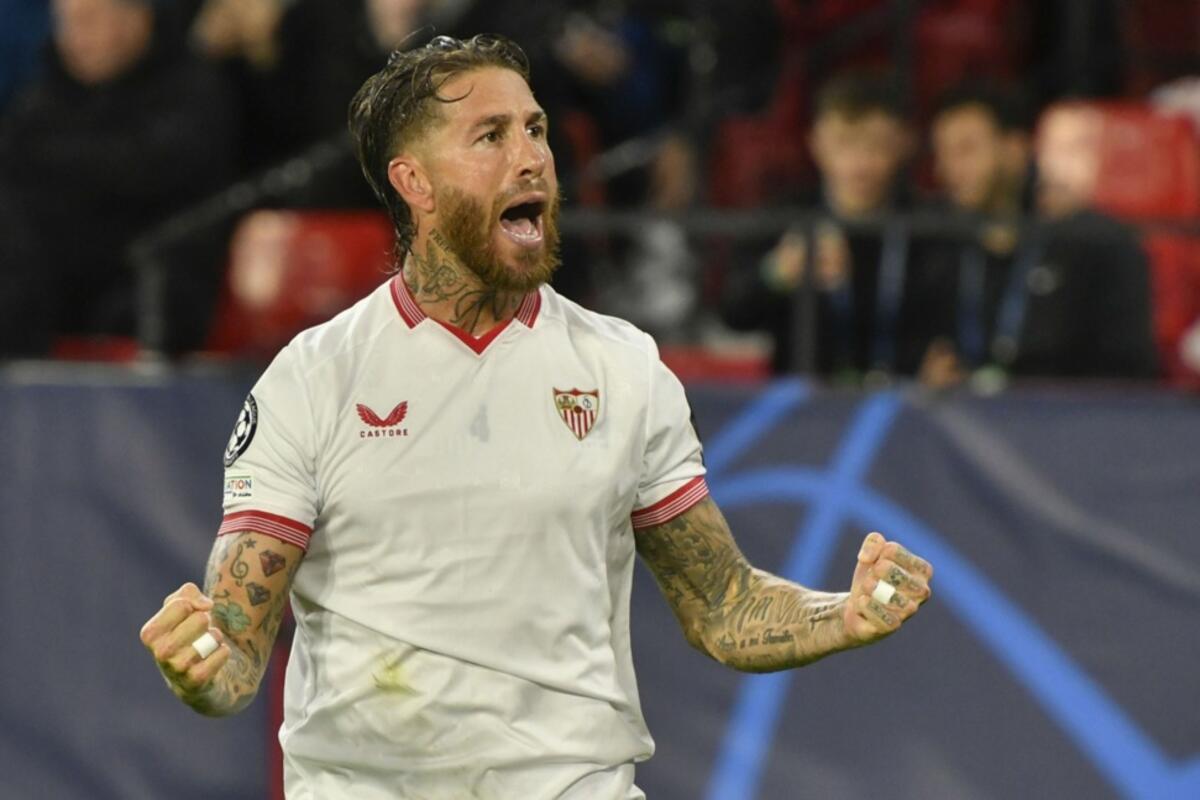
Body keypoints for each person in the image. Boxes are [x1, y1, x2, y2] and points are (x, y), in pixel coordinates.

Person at [138, 35, 933, 799]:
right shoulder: (312, 380)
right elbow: (234, 652)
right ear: (414, 182)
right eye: (491, 135)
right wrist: (197, 661)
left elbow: (725, 606)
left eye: (537, 129)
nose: (532, 158)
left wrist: (845, 614)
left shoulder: (623, 368)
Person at [0, 0, 237, 352]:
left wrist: (50, 163)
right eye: (66, 22)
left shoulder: (191, 90)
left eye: (90, 20)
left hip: (150, 278)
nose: (76, 37)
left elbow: (147, 168)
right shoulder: (44, 97)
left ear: (137, 18)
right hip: (52, 281)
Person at [919, 86, 1157, 385]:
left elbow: (1130, 373)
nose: (947, 169)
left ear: (1015, 148)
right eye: (942, 153)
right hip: (966, 410)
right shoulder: (936, 242)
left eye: (965, 150)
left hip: (1070, 411)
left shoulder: (1097, 243)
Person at [721, 72, 925, 378]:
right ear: (816, 143)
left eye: (876, 144)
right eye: (844, 142)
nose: (859, 161)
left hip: (906, 396)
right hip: (804, 397)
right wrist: (778, 273)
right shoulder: (785, 216)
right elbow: (733, 314)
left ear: (904, 144)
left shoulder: (929, 223)